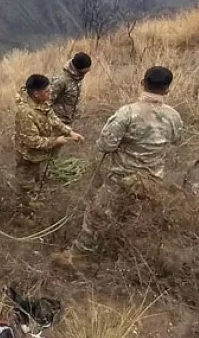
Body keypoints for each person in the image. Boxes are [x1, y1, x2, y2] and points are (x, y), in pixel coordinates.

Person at [77, 65, 184, 251]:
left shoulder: (127, 113)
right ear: (167, 89)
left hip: (121, 181)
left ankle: (80, 255)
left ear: (142, 83)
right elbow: (176, 140)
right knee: (137, 224)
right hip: (152, 182)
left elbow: (105, 145)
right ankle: (127, 256)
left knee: (96, 217)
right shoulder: (174, 116)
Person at [13, 74, 84, 206]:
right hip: (27, 155)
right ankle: (22, 208)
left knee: (37, 178)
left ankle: (33, 198)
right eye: (47, 91)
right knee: (25, 184)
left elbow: (53, 119)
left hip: (39, 154)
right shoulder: (25, 113)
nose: (51, 92)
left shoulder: (42, 101)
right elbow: (32, 141)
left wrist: (70, 132)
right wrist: (55, 141)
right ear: (36, 94)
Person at [50, 52, 92, 129]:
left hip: (69, 120)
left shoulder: (77, 77)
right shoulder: (61, 80)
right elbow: (47, 102)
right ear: (80, 68)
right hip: (57, 123)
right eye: (87, 68)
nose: (89, 70)